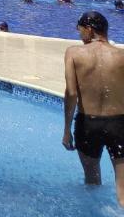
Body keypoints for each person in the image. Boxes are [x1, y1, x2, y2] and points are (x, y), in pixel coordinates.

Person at [63, 11, 124, 206]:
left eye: (80, 31)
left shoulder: (73, 53)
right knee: (123, 190)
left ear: (89, 29)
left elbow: (71, 93)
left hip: (88, 124)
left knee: (92, 182)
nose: (79, 36)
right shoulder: (121, 55)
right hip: (120, 123)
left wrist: (66, 130)